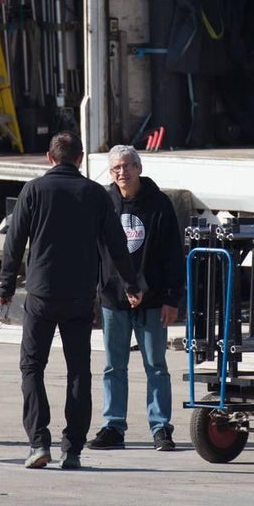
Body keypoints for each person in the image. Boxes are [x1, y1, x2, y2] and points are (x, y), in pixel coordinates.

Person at [0, 132, 143, 470]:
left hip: (41, 295)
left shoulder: (33, 190)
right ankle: (73, 449)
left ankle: (38, 443)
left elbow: (14, 241)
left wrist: (6, 286)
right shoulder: (95, 194)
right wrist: (131, 284)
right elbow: (116, 245)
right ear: (80, 159)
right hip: (80, 296)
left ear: (50, 158)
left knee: (32, 367)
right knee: (79, 371)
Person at [88, 145, 185, 452]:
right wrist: (96, 291)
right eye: (116, 167)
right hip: (114, 300)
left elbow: (173, 255)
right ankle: (113, 426)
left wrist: (172, 298)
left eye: (128, 166)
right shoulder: (103, 203)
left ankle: (160, 427)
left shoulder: (159, 204)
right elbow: (94, 251)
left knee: (156, 366)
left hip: (155, 301)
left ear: (139, 168)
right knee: (113, 367)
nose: (122, 172)